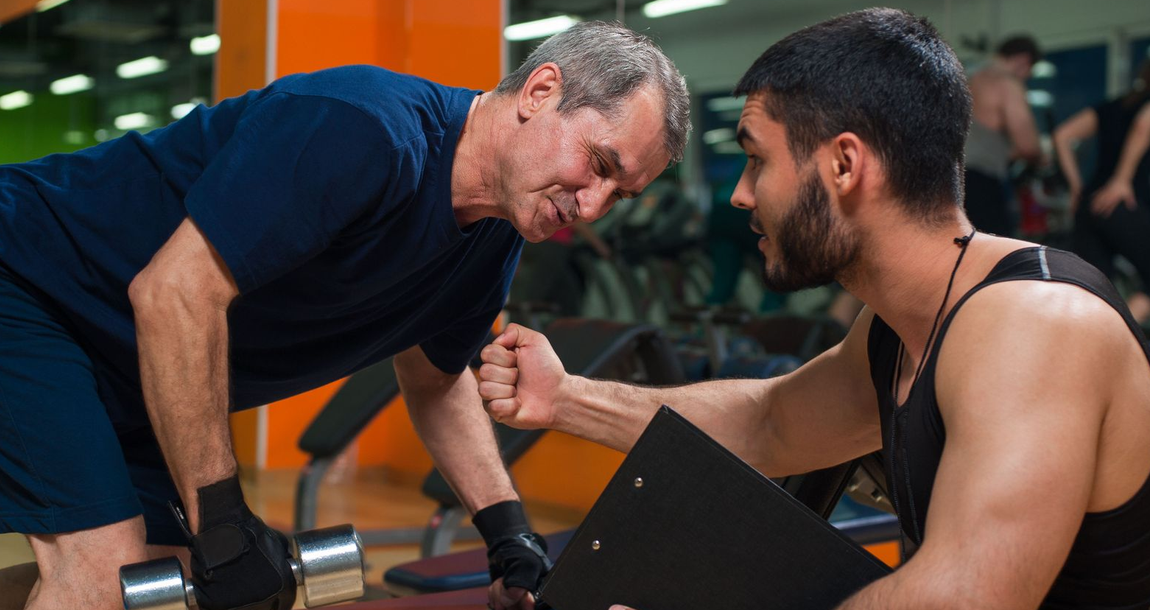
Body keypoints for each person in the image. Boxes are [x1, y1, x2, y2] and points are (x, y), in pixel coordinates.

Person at [0, 21, 689, 610]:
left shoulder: (490, 241)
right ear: (541, 91)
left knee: (150, 585)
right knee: (104, 574)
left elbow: (436, 379)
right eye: (599, 166)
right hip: (15, 272)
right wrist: (222, 513)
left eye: (618, 197)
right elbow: (174, 293)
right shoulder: (363, 130)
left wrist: (508, 535)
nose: (592, 207)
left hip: (134, 351)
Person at [480, 9, 1150, 608]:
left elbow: (967, 595)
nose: (741, 195)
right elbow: (768, 423)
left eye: (755, 159)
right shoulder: (901, 327)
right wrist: (567, 399)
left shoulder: (1036, 322)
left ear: (843, 165)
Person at [1054, 60, 1150, 323]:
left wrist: (1076, 188)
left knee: (1092, 289)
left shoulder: (1114, 107)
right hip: (1123, 203)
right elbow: (1144, 124)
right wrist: (1121, 180)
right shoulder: (1140, 110)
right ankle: (1121, 337)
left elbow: (1062, 135)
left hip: (1091, 203)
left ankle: (1092, 344)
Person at [963, 34, 1046, 236]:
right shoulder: (1007, 83)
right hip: (981, 180)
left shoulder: (967, 78)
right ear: (1023, 61)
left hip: (949, 180)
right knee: (995, 254)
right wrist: (1042, 157)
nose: (1026, 77)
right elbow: (1028, 145)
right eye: (1029, 72)